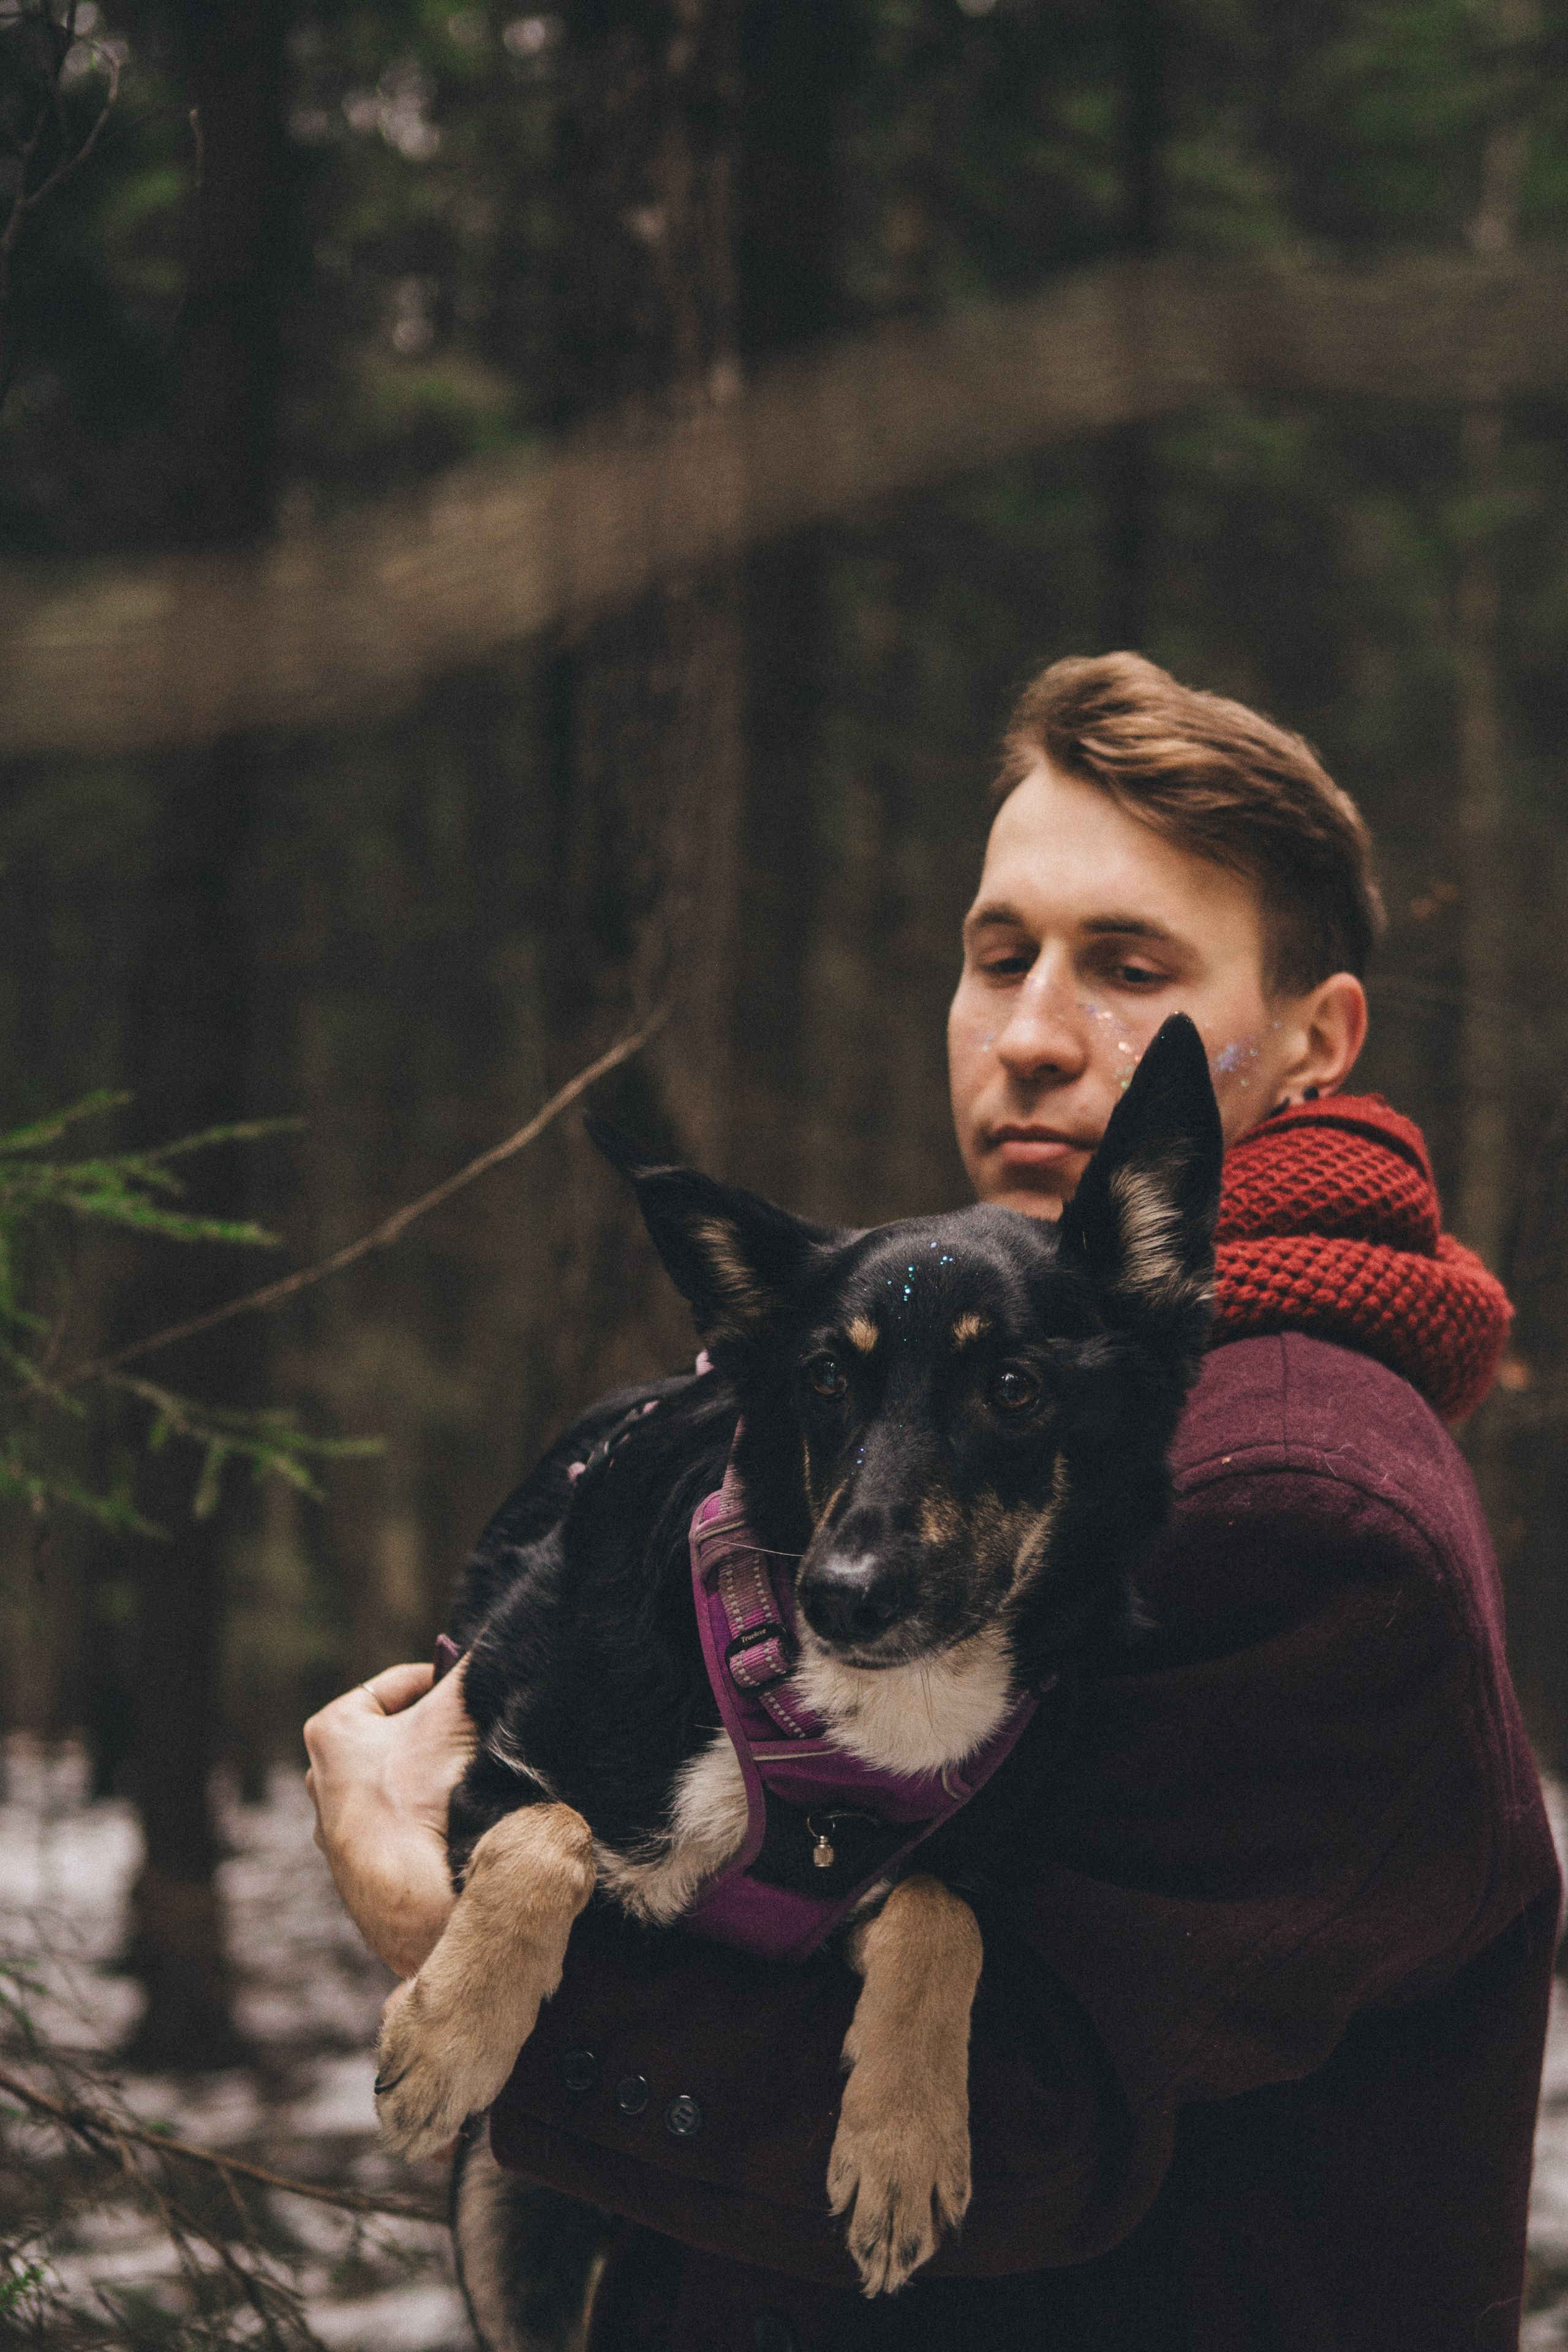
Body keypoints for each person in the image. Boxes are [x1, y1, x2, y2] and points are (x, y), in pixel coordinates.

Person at [305, 653, 1559, 2352]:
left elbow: (1030, 2128)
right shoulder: (956, 1353)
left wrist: (424, 1901)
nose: (1032, 1035)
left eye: (1128, 968)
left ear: (1317, 1042)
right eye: (997, 958)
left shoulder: (1292, 1505)